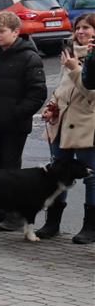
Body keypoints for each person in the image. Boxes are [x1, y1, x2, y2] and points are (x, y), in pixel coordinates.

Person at [0, 10, 47, 232]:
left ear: (16, 32)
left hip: (14, 126)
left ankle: (13, 216)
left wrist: (15, 113)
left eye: (1, 32)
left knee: (11, 172)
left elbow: (37, 94)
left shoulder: (29, 57)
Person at [39, 12, 95, 243]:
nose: (80, 32)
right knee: (57, 172)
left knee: (91, 177)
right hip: (60, 124)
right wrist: (51, 106)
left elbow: (91, 93)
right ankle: (52, 223)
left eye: (87, 28)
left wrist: (75, 69)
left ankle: (90, 227)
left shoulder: (89, 58)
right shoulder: (68, 53)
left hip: (86, 126)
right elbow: (61, 89)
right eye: (78, 27)